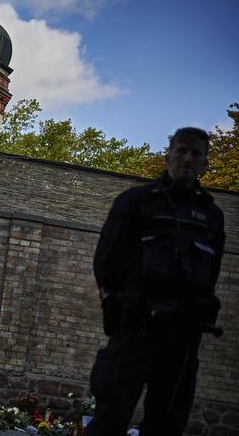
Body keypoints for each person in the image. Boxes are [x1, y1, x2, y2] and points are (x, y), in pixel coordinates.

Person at [86, 127, 225, 436]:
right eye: (181, 151)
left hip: (183, 337)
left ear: (204, 163)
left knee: (167, 423)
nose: (188, 158)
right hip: (137, 327)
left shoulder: (211, 216)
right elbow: (106, 260)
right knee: (111, 417)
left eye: (196, 154)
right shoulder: (136, 202)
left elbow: (211, 272)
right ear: (168, 156)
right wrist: (114, 303)